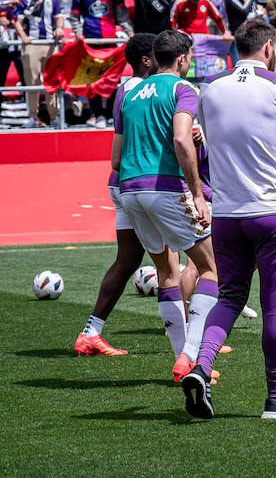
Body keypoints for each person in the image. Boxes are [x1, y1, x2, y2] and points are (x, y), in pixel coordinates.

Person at [183, 20, 276, 419]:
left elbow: (203, 138)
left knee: (230, 297)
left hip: (226, 214)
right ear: (270, 48)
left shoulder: (209, 87)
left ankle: (202, 367)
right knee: (275, 309)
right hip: (273, 212)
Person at [109, 30, 219, 381]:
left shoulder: (127, 90)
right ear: (184, 58)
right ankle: (192, 356)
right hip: (165, 188)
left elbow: (115, 157)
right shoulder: (184, 89)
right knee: (212, 270)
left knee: (166, 272)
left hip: (128, 190)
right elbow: (181, 140)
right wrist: (198, 195)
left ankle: (180, 361)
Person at [74, 33, 158, 355]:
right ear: (147, 60)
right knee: (179, 260)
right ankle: (194, 341)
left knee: (128, 260)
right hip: (145, 180)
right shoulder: (154, 89)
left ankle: (91, 332)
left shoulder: (124, 90)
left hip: (120, 181)